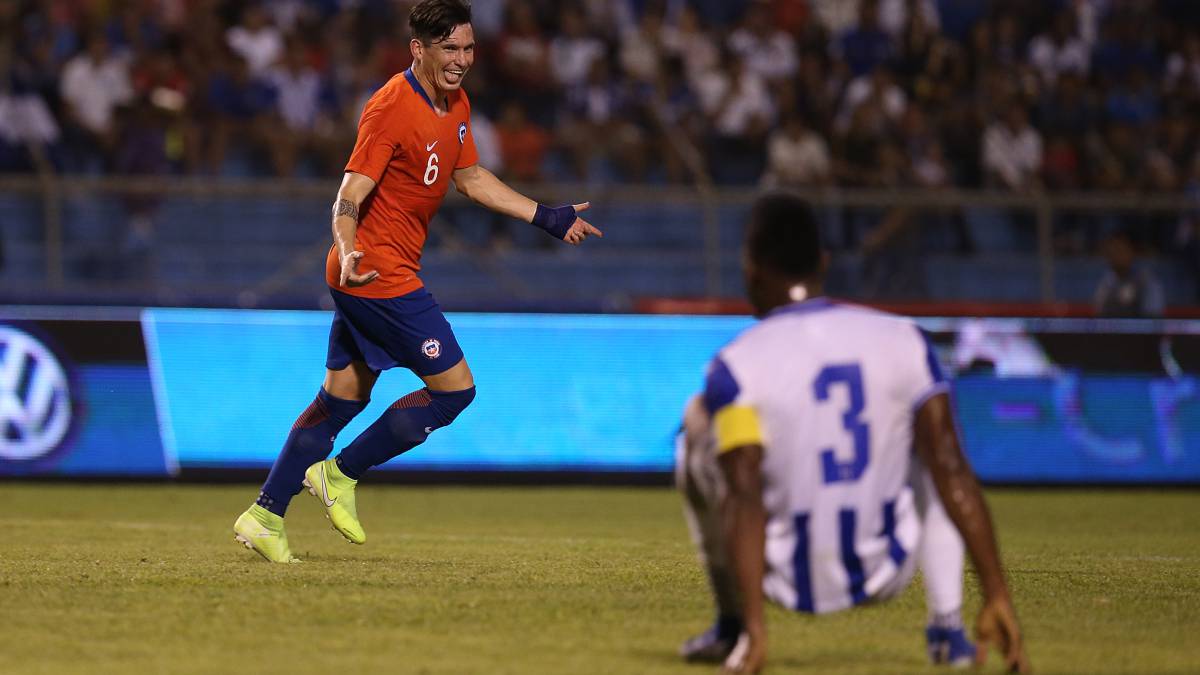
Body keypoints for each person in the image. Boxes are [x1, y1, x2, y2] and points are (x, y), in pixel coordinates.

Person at [233, 0, 603, 563]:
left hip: (368, 273)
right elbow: (349, 195)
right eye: (449, 49)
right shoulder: (389, 107)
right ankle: (338, 475)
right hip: (375, 270)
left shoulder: (456, 103)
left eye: (469, 48)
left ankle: (264, 514)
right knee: (455, 391)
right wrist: (349, 246)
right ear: (419, 50)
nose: (462, 60)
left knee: (341, 401)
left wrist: (548, 217)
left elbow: (471, 178)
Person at [675, 193, 1029, 673]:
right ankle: (948, 628)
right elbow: (950, 464)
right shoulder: (903, 338)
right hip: (886, 566)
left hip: (783, 575)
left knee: (697, 430)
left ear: (752, 269)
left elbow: (743, 491)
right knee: (931, 446)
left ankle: (735, 625)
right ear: (823, 262)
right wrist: (997, 593)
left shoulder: (736, 366)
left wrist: (759, 635)